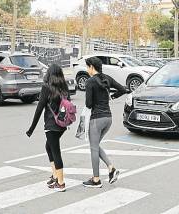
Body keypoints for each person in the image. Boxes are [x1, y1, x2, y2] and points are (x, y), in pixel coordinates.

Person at [82, 56, 128, 188]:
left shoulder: (90, 82)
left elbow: (89, 104)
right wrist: (111, 97)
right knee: (95, 145)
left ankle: (96, 180)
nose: (87, 69)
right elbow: (123, 89)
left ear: (91, 67)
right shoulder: (107, 78)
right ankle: (111, 168)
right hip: (108, 118)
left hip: (96, 119)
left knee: (93, 148)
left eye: (87, 67)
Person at [26, 64, 71, 192]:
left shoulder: (46, 88)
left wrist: (31, 128)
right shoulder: (64, 87)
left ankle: (60, 183)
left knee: (55, 152)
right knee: (49, 147)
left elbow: (39, 109)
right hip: (62, 124)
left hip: (51, 126)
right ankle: (55, 175)